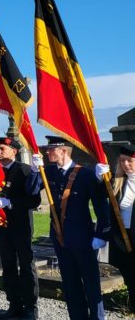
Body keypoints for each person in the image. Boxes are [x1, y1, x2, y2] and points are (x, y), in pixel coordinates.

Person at [38, 135, 109, 320]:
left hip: (83, 237)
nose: (47, 152)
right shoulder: (48, 172)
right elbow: (32, 190)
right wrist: (33, 170)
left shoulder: (85, 174)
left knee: (91, 283)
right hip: (60, 237)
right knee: (70, 283)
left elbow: (101, 204)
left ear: (63, 150)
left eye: (51, 149)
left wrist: (101, 234)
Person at [0, 137, 41, 320]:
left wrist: (10, 202)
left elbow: (33, 200)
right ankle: (14, 304)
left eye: (2, 148)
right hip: (1, 226)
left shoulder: (24, 170)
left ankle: (30, 307)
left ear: (14, 150)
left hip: (20, 225)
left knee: (27, 265)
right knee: (8, 264)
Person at [110, 144, 135, 314]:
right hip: (124, 240)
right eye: (123, 161)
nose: (126, 164)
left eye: (130, 161)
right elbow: (99, 193)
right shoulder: (118, 182)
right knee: (131, 282)